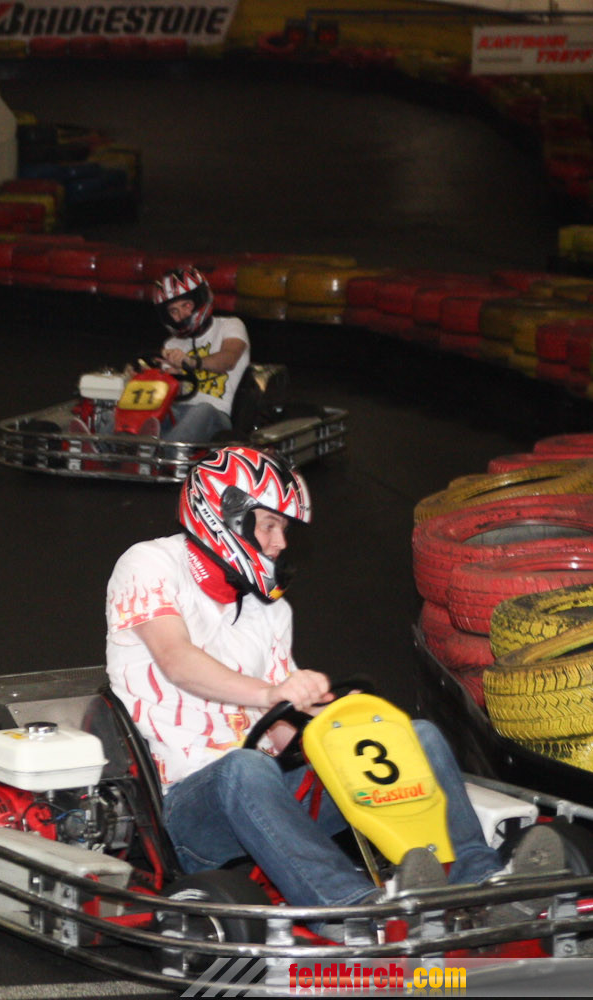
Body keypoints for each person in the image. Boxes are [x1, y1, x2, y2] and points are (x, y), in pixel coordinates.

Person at [104, 445, 561, 916]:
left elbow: (281, 729)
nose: (281, 543)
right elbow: (176, 659)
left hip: (269, 792)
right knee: (244, 767)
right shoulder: (150, 564)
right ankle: (351, 908)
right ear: (224, 515)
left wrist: (331, 720)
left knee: (415, 736)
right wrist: (271, 693)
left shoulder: (269, 610)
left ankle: (479, 880)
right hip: (187, 808)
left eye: (284, 529)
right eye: (270, 526)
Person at [151, 267, 250, 443]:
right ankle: (115, 446)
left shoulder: (230, 325)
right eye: (173, 311)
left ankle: (167, 451)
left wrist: (190, 362)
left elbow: (229, 359)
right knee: (141, 411)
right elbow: (169, 393)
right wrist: (161, 376)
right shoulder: (171, 344)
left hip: (216, 415)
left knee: (202, 409)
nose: (182, 315)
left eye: (186, 305)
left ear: (200, 301)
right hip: (179, 412)